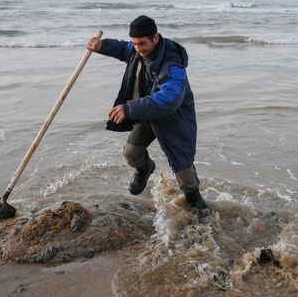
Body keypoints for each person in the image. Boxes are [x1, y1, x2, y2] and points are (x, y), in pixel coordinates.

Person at [86, 15, 207, 210]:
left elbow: (170, 98)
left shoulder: (172, 64)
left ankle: (195, 201)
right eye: (135, 43)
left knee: (184, 172)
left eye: (142, 43)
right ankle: (145, 169)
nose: (138, 48)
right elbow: (122, 48)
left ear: (156, 38)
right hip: (148, 113)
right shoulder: (137, 51)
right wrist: (101, 46)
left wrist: (130, 108)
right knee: (131, 153)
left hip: (173, 117)